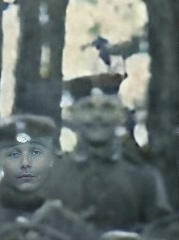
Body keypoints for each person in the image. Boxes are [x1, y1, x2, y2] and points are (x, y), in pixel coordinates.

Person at [49, 70, 170, 230]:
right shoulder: (54, 175)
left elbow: (159, 232)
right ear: (72, 116)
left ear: (121, 115)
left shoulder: (142, 177)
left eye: (107, 107)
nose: (97, 116)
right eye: (88, 107)